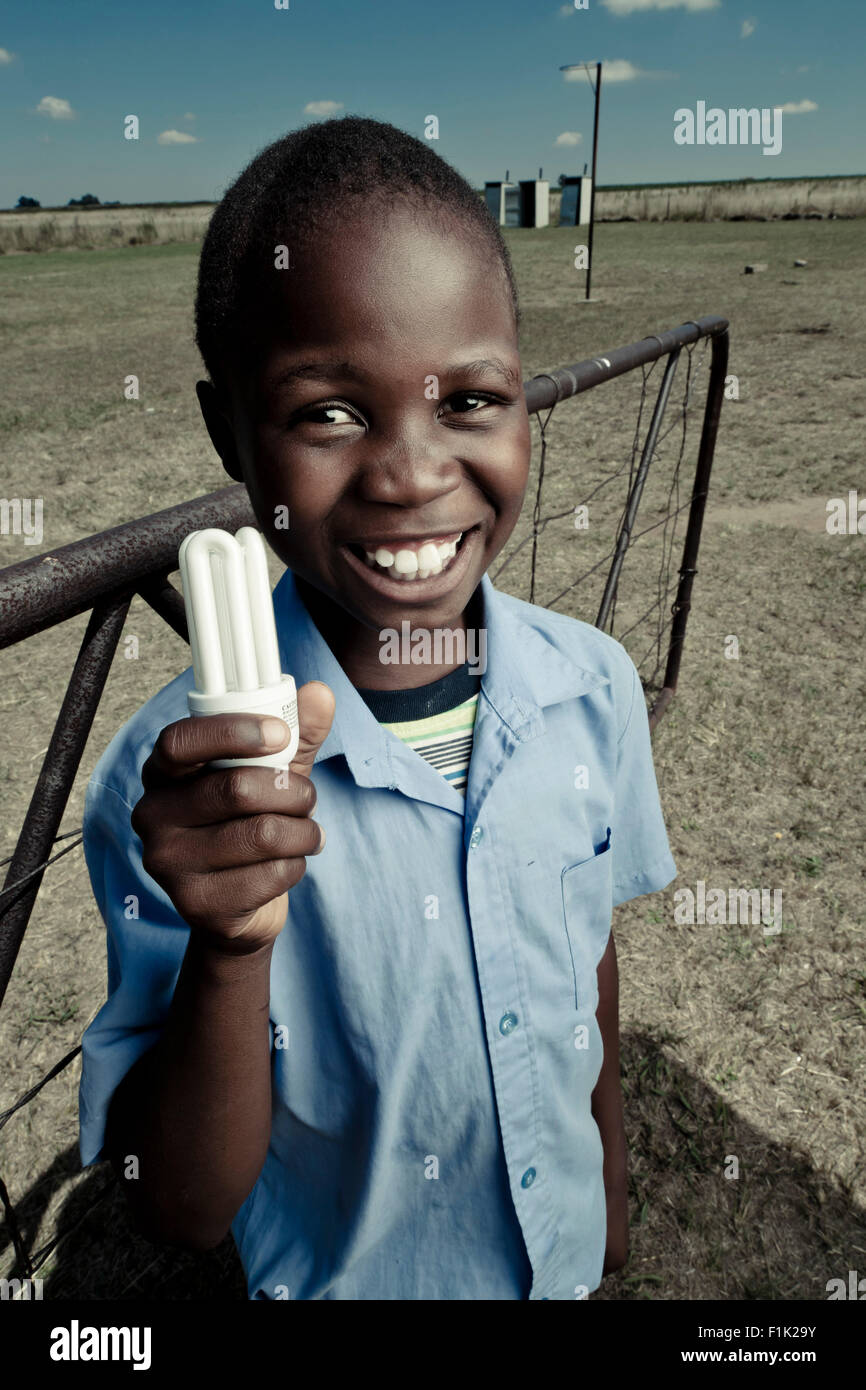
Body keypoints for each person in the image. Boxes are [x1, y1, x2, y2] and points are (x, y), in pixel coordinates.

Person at [78, 116, 676, 1300]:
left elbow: (588, 958)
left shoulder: (591, 685)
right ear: (232, 435)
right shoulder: (180, 782)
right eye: (328, 413)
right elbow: (183, 1202)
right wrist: (230, 943)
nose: (408, 471)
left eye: (469, 398)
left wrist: (601, 1194)